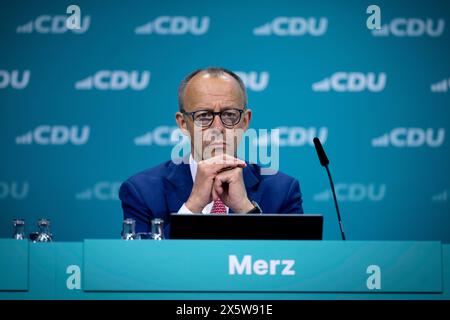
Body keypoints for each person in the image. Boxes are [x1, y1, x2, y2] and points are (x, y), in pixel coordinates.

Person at [119, 67, 303, 238]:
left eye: (230, 115)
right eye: (203, 116)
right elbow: (142, 266)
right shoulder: (142, 191)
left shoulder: (283, 190)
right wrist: (193, 207)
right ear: (183, 123)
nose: (217, 128)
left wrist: (246, 211)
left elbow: (291, 263)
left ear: (245, 121)